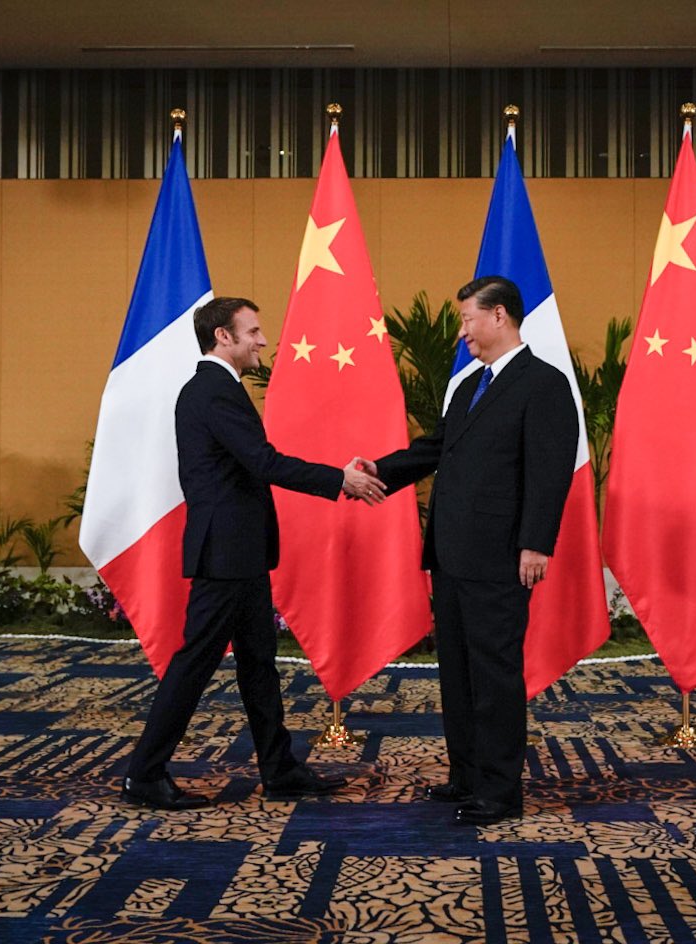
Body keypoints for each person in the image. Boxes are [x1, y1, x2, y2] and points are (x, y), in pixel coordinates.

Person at [121, 295, 388, 810]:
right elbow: (264, 463)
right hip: (225, 555)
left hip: (238, 553)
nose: (263, 341)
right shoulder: (212, 392)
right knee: (195, 663)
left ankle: (279, 767)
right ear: (223, 336)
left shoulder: (218, 389)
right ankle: (144, 773)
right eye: (253, 332)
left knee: (259, 664)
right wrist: (341, 481)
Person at [371, 275, 577, 825]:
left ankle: (500, 790)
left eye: (467, 319)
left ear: (500, 317)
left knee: (494, 674)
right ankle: (465, 774)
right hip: (452, 553)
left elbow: (550, 472)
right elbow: (436, 449)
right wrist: (377, 473)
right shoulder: (469, 387)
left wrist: (536, 543)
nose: (462, 330)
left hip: (502, 556)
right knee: (457, 672)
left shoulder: (544, 384)